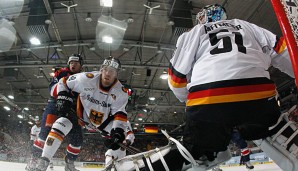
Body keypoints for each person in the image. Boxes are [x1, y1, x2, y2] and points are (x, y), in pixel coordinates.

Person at [167, 3, 295, 170]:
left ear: (205, 16)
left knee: (197, 150)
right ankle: (281, 138)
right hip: (257, 98)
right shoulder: (247, 26)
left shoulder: (195, 32)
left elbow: (176, 78)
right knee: (271, 129)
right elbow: (284, 51)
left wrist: (187, 100)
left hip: (207, 102)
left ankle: (198, 156)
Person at [35, 57, 129, 171]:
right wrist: (62, 96)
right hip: (81, 117)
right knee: (61, 123)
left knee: (121, 140)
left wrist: (117, 133)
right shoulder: (86, 78)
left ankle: (113, 167)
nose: (108, 73)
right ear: (101, 69)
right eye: (105, 69)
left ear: (116, 74)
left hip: (103, 123)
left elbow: (120, 114)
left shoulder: (122, 93)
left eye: (112, 71)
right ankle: (43, 162)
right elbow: (63, 82)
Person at [25, 54, 83, 171]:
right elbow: (52, 90)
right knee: (44, 134)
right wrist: (64, 93)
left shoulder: (84, 78)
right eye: (71, 62)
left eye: (76, 63)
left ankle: (69, 164)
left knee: (77, 139)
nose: (73, 64)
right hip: (55, 105)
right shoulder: (61, 73)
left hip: (73, 109)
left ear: (81, 65)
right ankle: (34, 161)